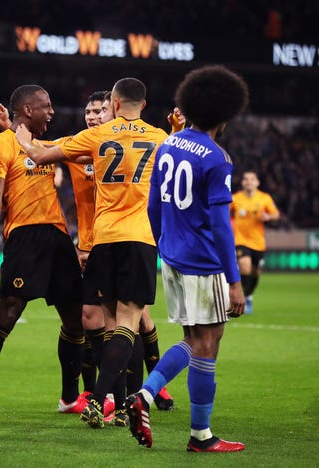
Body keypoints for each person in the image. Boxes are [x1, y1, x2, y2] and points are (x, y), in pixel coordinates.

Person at [15, 77, 168, 429]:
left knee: (112, 323)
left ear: (113, 103)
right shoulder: (160, 138)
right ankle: (102, 399)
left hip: (102, 240)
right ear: (142, 105)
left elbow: (38, 153)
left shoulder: (97, 136)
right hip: (140, 237)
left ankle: (117, 401)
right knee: (130, 323)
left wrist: (21, 133)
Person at [126, 64, 249, 452]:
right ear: (226, 114)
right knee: (208, 341)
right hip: (203, 262)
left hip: (173, 258)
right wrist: (234, 281)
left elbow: (153, 204)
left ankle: (189, 425)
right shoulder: (217, 158)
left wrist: (164, 246)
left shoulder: (170, 144)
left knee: (191, 338)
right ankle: (182, 421)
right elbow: (221, 226)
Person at [0, 84, 86, 417]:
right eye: (46, 106)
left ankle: (69, 397)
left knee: (76, 319)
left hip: (58, 236)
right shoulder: (1, 145)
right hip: (24, 236)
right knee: (7, 313)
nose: (52, 112)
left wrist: (12, 127)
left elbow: (66, 150)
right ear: (28, 110)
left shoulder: (43, 146)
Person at [230, 171, 280, 313]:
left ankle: (249, 295)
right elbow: (222, 210)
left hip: (258, 242)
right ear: (242, 182)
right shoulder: (235, 198)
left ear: (257, 182)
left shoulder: (264, 198)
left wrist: (268, 216)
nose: (248, 181)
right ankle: (243, 299)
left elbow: (276, 214)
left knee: (255, 272)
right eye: (246, 179)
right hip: (240, 240)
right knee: (244, 267)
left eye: (252, 179)